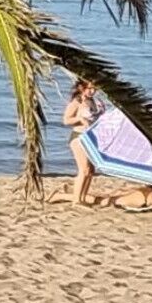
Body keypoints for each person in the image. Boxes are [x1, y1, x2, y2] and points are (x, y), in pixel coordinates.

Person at [56, 78, 102, 207]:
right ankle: (76, 200)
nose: (93, 91)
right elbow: (66, 120)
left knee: (90, 170)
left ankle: (82, 197)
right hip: (79, 137)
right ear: (82, 88)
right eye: (90, 88)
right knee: (84, 168)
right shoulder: (77, 102)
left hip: (92, 137)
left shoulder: (93, 101)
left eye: (95, 89)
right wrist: (80, 119)